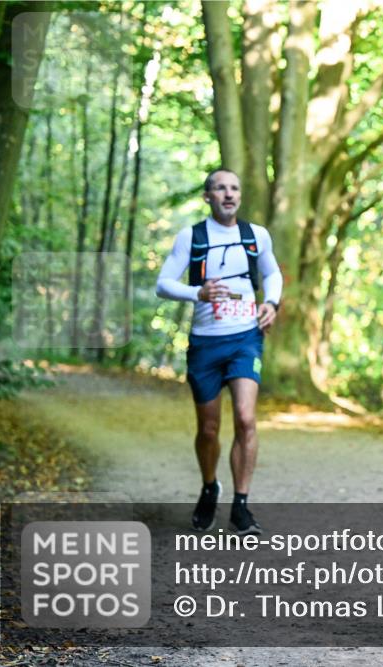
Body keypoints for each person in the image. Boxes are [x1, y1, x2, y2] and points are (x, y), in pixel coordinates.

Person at [156, 168, 282, 536]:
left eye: (234, 188)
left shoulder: (255, 235)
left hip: (245, 336)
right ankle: (210, 486)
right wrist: (198, 293)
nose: (228, 194)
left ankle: (241, 505)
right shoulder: (191, 237)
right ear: (207, 196)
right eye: (220, 188)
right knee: (208, 429)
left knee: (245, 418)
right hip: (205, 342)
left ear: (240, 195)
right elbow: (163, 284)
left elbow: (272, 274)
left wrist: (271, 303)